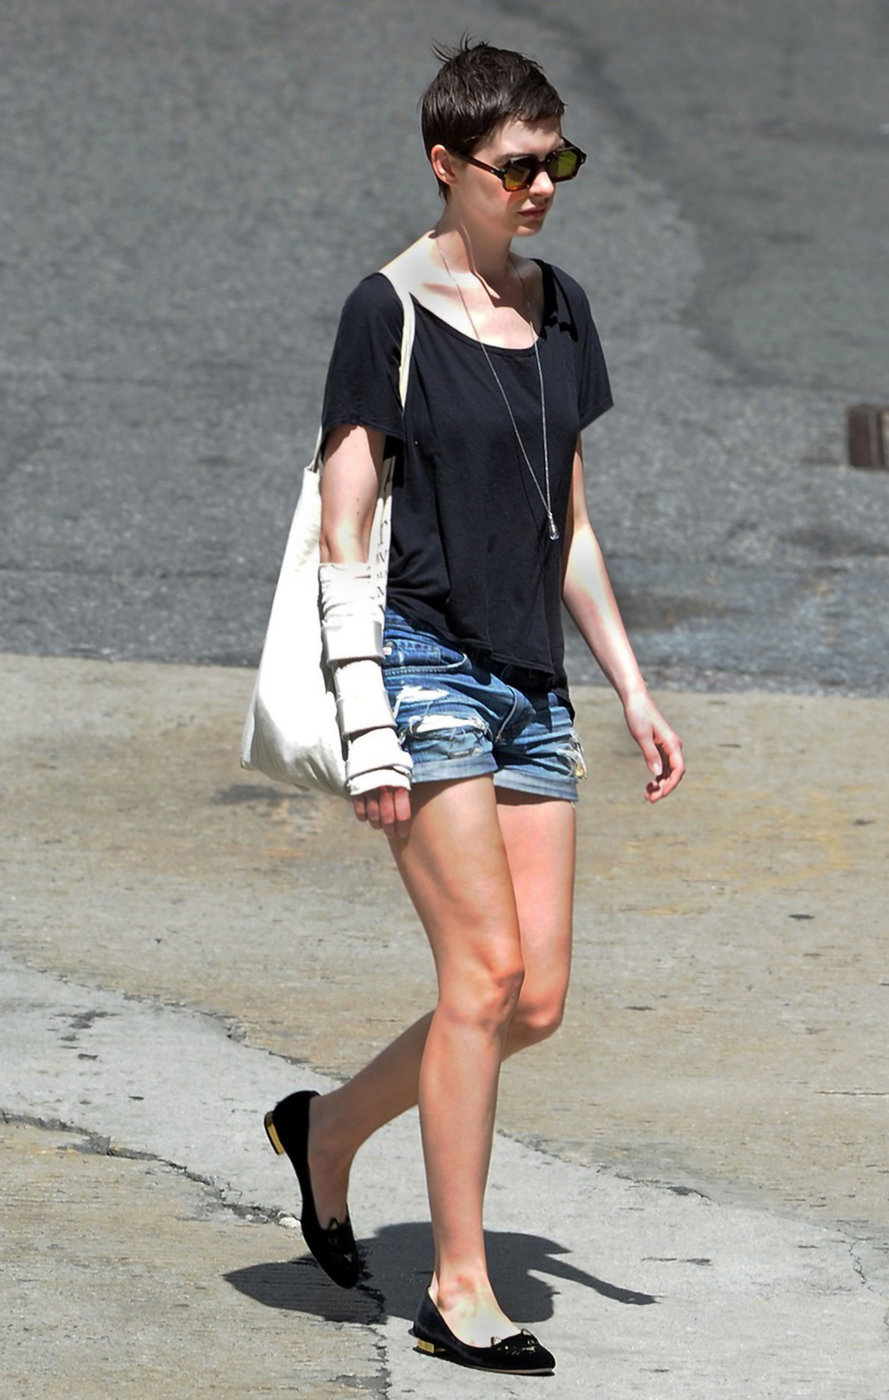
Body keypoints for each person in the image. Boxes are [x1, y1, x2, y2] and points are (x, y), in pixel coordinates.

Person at [264, 39, 684, 1376]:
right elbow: (344, 526)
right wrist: (369, 720)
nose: (544, 186)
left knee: (535, 999)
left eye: (557, 159)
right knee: (481, 975)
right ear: (448, 166)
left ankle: (327, 1132)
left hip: (531, 684)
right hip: (424, 665)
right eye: (517, 166)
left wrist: (629, 682)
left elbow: (567, 518)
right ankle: (455, 1287)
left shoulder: (561, 306)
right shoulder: (381, 313)